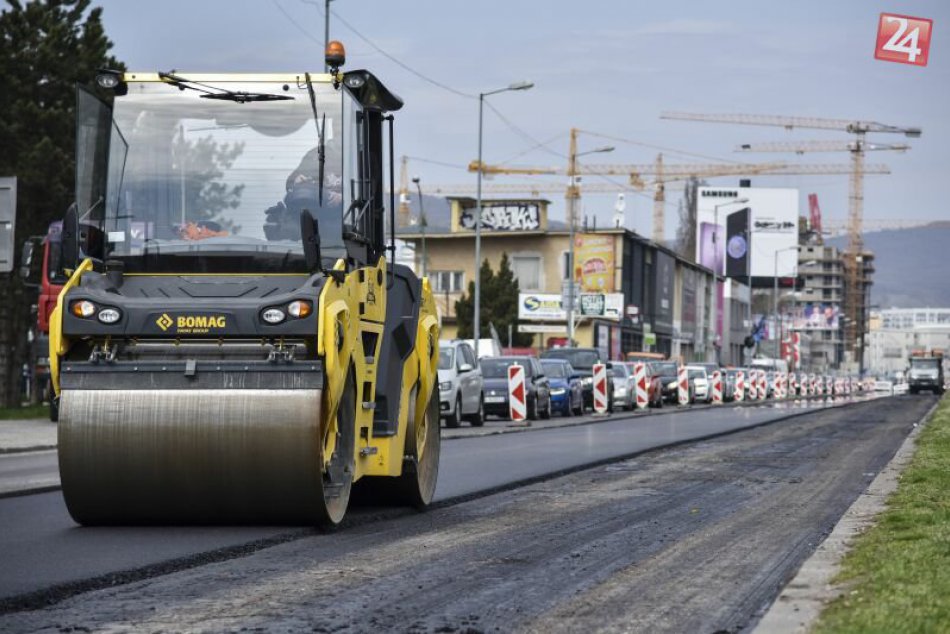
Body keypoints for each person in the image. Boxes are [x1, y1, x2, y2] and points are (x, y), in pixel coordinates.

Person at [264, 143, 343, 241]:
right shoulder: (318, 152)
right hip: (310, 227)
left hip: (342, 229)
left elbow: (364, 194)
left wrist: (344, 198)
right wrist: (296, 180)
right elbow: (294, 179)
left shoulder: (354, 157)